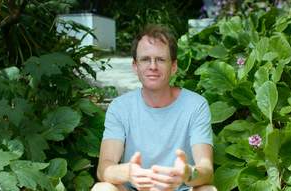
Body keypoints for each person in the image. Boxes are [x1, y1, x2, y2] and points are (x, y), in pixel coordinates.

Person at [91, 24, 216, 191]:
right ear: (135, 66)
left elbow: (206, 170)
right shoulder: (120, 107)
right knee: (103, 188)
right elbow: (103, 169)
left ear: (173, 66)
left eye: (160, 59)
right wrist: (128, 173)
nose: (153, 66)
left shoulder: (195, 105)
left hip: (181, 189)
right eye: (145, 59)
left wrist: (188, 173)